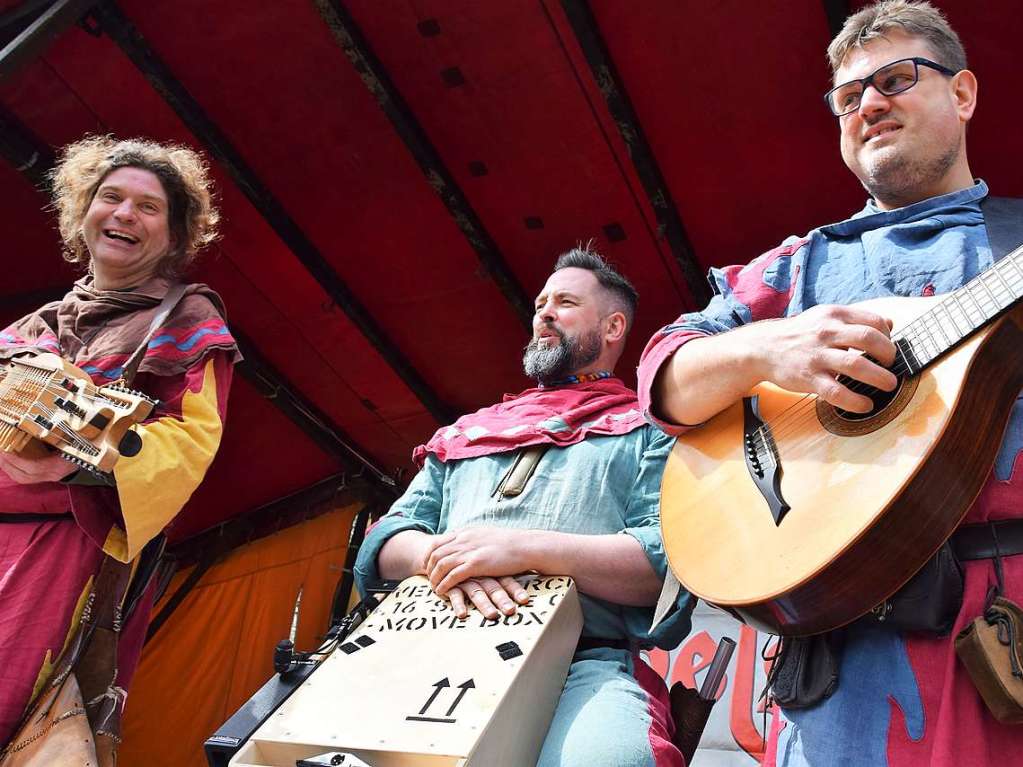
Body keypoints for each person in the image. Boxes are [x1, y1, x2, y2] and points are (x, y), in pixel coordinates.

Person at [638, 2, 1023, 765]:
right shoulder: (795, 265)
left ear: (964, 94)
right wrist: (765, 349)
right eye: (848, 97)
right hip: (843, 669)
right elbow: (664, 373)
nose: (868, 104)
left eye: (895, 78)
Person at [354, 247, 693, 766]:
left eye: (565, 302)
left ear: (613, 326)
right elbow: (389, 537)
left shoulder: (654, 428)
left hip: (579, 664)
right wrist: (445, 559)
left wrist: (518, 547)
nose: (544, 313)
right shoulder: (466, 430)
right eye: (539, 304)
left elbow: (663, 564)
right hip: (424, 646)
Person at [0, 136, 240, 750]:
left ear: (175, 234)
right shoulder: (34, 326)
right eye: (110, 198)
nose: (124, 214)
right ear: (83, 212)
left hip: (66, 546)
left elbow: (190, 442)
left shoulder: (188, 316)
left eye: (148, 207)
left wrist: (70, 465)